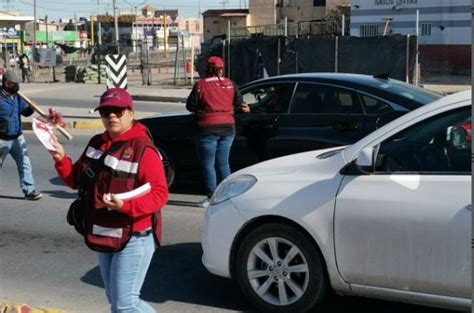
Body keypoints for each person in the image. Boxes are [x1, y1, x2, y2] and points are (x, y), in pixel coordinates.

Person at [49, 88, 168, 312]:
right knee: (116, 301)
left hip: (134, 236)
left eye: (117, 110)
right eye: (105, 112)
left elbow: (159, 195)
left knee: (125, 305)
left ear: (130, 113)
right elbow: (75, 180)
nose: (111, 116)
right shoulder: (96, 143)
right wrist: (60, 158)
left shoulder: (143, 149)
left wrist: (126, 206)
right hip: (103, 233)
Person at [186, 56, 249, 207]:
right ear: (221, 68)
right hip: (228, 127)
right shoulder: (230, 84)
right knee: (223, 163)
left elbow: (190, 106)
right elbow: (240, 103)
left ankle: (211, 197)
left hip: (207, 128)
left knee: (208, 164)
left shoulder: (200, 85)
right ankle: (227, 195)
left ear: (207, 68)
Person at [0, 70, 42, 200]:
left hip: (17, 137)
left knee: (25, 164)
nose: (17, 86)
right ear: (6, 84)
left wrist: (31, 107)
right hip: (2, 139)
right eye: (14, 84)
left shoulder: (17, 96)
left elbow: (25, 112)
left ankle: (29, 191)